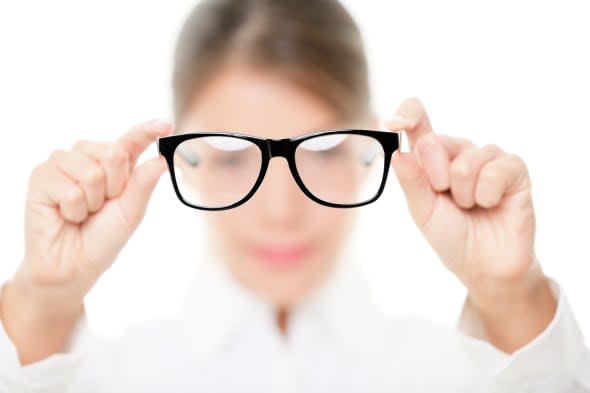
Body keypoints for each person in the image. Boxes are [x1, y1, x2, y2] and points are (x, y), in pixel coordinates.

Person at [0, 0, 589, 391]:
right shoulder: (105, 377)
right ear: (180, 153)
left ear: (371, 146)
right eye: (232, 156)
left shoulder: (471, 374)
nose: (281, 211)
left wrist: (511, 298)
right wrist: (40, 302)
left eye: (325, 149)